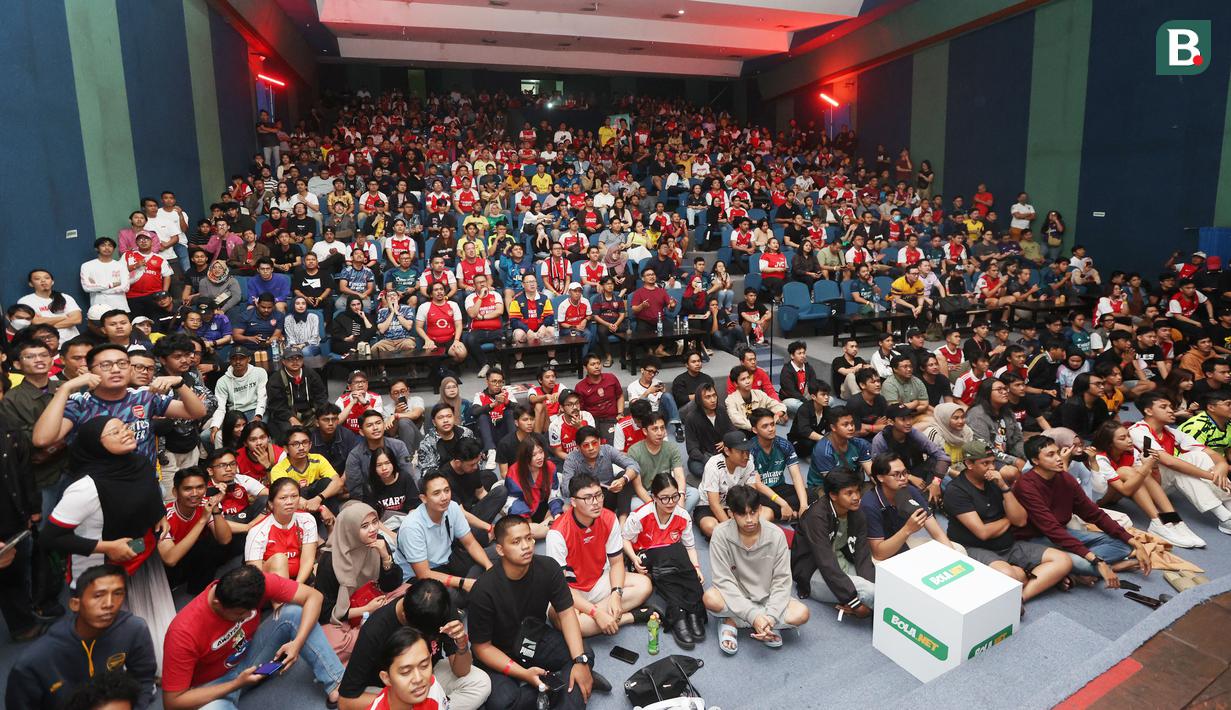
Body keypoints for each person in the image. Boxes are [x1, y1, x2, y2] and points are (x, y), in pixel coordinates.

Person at [42, 417, 175, 669]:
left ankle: (153, 664)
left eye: (125, 427)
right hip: (101, 566)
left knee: (147, 610)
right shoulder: (85, 488)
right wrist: (107, 547)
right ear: (96, 445)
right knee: (111, 630)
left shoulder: (139, 463)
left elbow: (147, 491)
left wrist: (159, 514)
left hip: (141, 554)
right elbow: (50, 537)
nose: (126, 432)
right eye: (115, 432)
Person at [160, 564, 344, 709]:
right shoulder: (183, 632)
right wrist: (235, 684)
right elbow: (173, 702)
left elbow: (314, 597)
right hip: (211, 686)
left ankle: (336, 684)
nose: (247, 616)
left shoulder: (253, 583)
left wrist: (297, 643)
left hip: (249, 662)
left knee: (294, 613)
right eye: (240, 614)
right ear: (217, 604)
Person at [468, 515, 602, 710]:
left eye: (529, 538)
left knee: (584, 654)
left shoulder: (548, 568)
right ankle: (558, 685)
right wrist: (524, 675)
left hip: (531, 637)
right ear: (500, 550)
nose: (526, 546)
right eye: (516, 541)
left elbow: (566, 613)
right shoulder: (483, 590)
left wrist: (580, 662)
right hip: (499, 652)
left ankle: (566, 683)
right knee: (502, 703)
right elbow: (482, 648)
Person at [5, 565, 157, 710]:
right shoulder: (34, 661)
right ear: (74, 604)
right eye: (98, 595)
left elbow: (144, 680)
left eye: (118, 593)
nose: (109, 604)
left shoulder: (134, 629)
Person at [33, 343, 206, 465]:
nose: (116, 369)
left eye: (122, 364)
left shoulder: (144, 397)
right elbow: (42, 440)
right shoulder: (80, 402)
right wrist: (66, 388)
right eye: (106, 365)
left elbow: (196, 412)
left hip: (144, 482)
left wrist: (179, 384)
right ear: (91, 371)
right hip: (98, 488)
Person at [944, 441, 1073, 601]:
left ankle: (1021, 597)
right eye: (985, 463)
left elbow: (1020, 521)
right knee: (1008, 575)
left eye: (992, 463)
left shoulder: (995, 481)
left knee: (1063, 560)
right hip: (975, 547)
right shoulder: (956, 490)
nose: (992, 468)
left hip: (1009, 544)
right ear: (969, 464)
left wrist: (1004, 487)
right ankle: (1029, 575)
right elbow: (983, 533)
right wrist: (1008, 519)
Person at [337, 578, 492, 710]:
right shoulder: (375, 631)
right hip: (390, 688)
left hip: (429, 673)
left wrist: (462, 645)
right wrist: (403, 701)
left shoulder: (441, 607)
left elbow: (461, 671)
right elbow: (345, 701)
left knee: (480, 683)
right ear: (405, 616)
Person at [1013, 436, 1150, 585]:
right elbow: (1051, 529)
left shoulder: (1065, 478)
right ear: (1035, 461)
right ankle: (1101, 567)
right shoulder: (1026, 486)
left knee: (1123, 545)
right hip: (1035, 539)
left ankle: (1076, 570)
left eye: (1058, 453)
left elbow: (1094, 514)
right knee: (1086, 562)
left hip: (1063, 533)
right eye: (1050, 455)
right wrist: (1094, 559)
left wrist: (1136, 543)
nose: (1059, 458)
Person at [703, 484, 810, 655]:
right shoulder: (720, 534)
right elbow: (724, 581)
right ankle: (763, 625)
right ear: (731, 514)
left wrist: (770, 616)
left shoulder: (776, 535)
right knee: (710, 599)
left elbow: (781, 581)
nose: (750, 520)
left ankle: (734, 621)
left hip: (767, 597)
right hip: (736, 594)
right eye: (742, 514)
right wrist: (754, 615)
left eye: (753, 512)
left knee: (802, 614)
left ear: (760, 509)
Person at [622, 473, 706, 649]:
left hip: (669, 562)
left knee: (681, 557)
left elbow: (690, 546)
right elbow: (625, 539)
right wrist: (634, 559)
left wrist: (696, 567)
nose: (671, 502)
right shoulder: (640, 515)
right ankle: (684, 610)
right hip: (643, 557)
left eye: (675, 496)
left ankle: (684, 610)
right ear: (654, 497)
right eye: (665, 498)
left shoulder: (682, 516)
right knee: (673, 552)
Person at [1090, 420, 1206, 548]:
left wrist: (1153, 468)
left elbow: (1153, 483)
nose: (1129, 440)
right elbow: (1125, 491)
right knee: (1127, 471)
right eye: (1123, 438)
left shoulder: (1130, 451)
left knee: (1138, 472)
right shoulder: (1101, 459)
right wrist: (1146, 467)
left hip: (1116, 493)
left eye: (1128, 435)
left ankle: (1174, 519)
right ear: (1110, 444)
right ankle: (1157, 522)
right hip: (1097, 499)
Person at [1129, 392, 1231, 535]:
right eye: (1164, 407)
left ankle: (1229, 507)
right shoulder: (1137, 431)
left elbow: (1210, 453)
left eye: (1171, 406)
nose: (1171, 410)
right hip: (1144, 486)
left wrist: (1222, 466)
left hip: (1163, 482)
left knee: (1198, 456)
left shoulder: (1171, 432)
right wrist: (1209, 475)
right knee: (1178, 467)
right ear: (1148, 411)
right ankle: (1225, 518)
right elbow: (1168, 461)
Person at [315, 501, 404, 662]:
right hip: (346, 613)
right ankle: (381, 632)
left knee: (411, 593)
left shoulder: (378, 542)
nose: (373, 529)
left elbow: (391, 585)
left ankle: (372, 637)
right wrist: (366, 609)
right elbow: (325, 612)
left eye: (375, 522)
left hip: (377, 597)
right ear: (350, 529)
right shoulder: (330, 561)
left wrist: (385, 557)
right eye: (364, 526)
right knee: (331, 645)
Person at [394, 469, 494, 595]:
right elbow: (424, 573)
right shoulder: (412, 527)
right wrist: (464, 583)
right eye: (436, 493)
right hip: (421, 575)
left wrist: (489, 567)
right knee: (448, 595)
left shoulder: (452, 507)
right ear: (423, 498)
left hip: (448, 561)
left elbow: (470, 543)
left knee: (495, 554)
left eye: (447, 490)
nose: (444, 497)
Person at [791, 468, 875, 614]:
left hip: (840, 561)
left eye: (857, 491)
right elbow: (826, 563)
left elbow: (863, 555)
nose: (856, 497)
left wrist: (871, 583)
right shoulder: (816, 517)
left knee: (881, 584)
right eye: (849, 493)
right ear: (833, 495)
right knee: (871, 592)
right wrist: (853, 601)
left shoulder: (857, 513)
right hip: (813, 571)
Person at [861, 453, 959, 560]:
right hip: (877, 552)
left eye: (905, 473)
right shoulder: (869, 504)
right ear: (880, 478)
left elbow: (937, 532)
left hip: (903, 540)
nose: (903, 478)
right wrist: (907, 529)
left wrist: (954, 558)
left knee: (957, 550)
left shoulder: (910, 490)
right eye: (896, 475)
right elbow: (879, 554)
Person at [157, 468, 234, 594]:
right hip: (172, 568)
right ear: (175, 492)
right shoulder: (165, 517)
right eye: (187, 489)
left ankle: (201, 591)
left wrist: (215, 509)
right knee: (205, 546)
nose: (195, 493)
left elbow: (225, 540)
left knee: (218, 542)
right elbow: (170, 559)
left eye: (200, 487)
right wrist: (203, 519)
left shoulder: (205, 504)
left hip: (196, 559)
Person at [355, 627, 452, 710]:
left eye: (424, 666)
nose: (419, 679)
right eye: (406, 672)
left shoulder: (431, 685)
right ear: (386, 678)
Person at [244, 477, 319, 585]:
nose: (289, 502)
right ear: (270, 504)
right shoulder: (258, 531)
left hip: (299, 580)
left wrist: (296, 587)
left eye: (294, 496)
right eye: (283, 498)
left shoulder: (307, 520)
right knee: (280, 559)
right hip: (271, 583)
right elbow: (255, 574)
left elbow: (308, 560)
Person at [270, 426, 346, 524]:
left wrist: (318, 499)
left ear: (310, 445)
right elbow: (287, 498)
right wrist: (321, 508)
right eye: (295, 444)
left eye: (305, 442)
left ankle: (332, 524)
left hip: (316, 498)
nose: (301, 447)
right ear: (286, 448)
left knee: (326, 482)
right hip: (296, 506)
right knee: (291, 495)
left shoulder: (318, 459)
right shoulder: (278, 469)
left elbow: (338, 483)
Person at [560, 426, 641, 517]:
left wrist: (622, 480)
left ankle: (623, 519)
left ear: (599, 441)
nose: (591, 448)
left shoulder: (607, 450)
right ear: (578, 447)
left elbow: (634, 465)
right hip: (587, 498)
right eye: (586, 445)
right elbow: (566, 488)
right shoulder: (572, 459)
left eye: (594, 443)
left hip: (609, 493)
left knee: (625, 476)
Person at [504, 437, 564, 538]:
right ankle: (546, 529)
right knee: (524, 528)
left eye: (541, 452)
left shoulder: (550, 467)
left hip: (543, 507)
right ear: (525, 457)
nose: (540, 457)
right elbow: (513, 501)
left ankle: (537, 530)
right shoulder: (514, 472)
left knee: (565, 509)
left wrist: (557, 513)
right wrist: (527, 520)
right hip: (523, 513)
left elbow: (554, 494)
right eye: (534, 455)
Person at [265, 346, 328, 442]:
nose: (295, 362)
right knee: (290, 433)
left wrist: (319, 416)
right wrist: (291, 418)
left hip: (311, 413)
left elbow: (321, 397)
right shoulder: (275, 379)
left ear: (303, 360)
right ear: (283, 361)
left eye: (298, 358)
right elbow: (276, 405)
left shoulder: (311, 374)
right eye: (290, 359)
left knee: (326, 426)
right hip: (287, 415)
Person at [683, 382, 731, 480]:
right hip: (703, 457)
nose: (713, 400)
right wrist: (708, 460)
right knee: (698, 469)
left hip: (723, 452)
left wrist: (726, 441)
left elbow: (731, 431)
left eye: (714, 396)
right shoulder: (691, 418)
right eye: (708, 397)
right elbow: (692, 449)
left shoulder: (721, 410)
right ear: (700, 400)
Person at [725, 365, 786, 431]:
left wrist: (778, 413)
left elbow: (775, 404)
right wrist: (757, 427)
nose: (748, 381)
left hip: (762, 430)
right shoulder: (730, 400)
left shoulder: (759, 393)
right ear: (735, 384)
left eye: (748, 377)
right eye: (743, 379)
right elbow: (736, 419)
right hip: (744, 432)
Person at [778, 341, 819, 416]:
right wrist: (807, 402)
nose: (803, 355)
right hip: (791, 398)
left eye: (804, 353)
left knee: (829, 400)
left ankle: (811, 410)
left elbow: (813, 385)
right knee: (794, 404)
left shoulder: (809, 368)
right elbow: (791, 391)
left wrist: (817, 397)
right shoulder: (786, 370)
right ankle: (814, 410)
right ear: (792, 356)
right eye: (799, 353)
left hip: (807, 396)